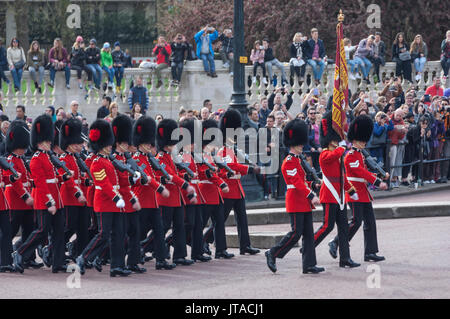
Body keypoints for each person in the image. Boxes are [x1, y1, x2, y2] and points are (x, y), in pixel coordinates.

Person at [265, 118, 324, 274]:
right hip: (296, 200)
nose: (301, 146)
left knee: (309, 235)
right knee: (296, 233)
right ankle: (273, 252)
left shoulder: (299, 160)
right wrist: (311, 195)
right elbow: (296, 183)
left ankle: (309, 264)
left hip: (303, 200)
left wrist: (313, 185)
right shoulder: (289, 161)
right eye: (299, 144)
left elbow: (303, 181)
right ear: (292, 144)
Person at [13, 115, 70, 273]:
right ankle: (20, 252)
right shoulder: (36, 159)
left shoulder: (47, 157)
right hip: (45, 200)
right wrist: (50, 202)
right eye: (47, 141)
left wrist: (63, 177)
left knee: (59, 231)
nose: (50, 143)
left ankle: (58, 262)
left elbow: (51, 178)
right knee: (42, 231)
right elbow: (41, 183)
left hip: (55, 199)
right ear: (39, 142)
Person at [328, 115, 388, 262]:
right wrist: (377, 180)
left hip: (363, 191)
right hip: (354, 192)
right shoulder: (350, 155)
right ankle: (335, 242)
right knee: (356, 221)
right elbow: (360, 172)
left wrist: (379, 174)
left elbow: (364, 171)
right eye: (362, 140)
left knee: (370, 222)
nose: (364, 143)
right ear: (354, 140)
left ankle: (370, 252)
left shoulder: (360, 154)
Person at [76, 119, 131, 277]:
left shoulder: (108, 160)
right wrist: (116, 198)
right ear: (101, 145)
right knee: (103, 234)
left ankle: (117, 266)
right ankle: (83, 257)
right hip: (105, 201)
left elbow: (117, 180)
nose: (110, 146)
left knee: (119, 234)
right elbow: (104, 184)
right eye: (107, 144)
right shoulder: (97, 163)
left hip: (115, 201)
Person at [312, 111, 360, 268]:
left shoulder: (337, 153)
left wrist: (350, 190)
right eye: (334, 140)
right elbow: (332, 157)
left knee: (344, 228)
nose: (336, 142)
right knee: (327, 226)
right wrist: (341, 147)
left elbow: (342, 175)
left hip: (339, 195)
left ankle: (345, 258)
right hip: (329, 194)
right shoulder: (325, 154)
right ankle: (309, 245)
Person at [132, 116, 175, 270]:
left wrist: (160, 180)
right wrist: (159, 186)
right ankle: (133, 260)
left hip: (153, 201)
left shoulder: (149, 158)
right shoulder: (136, 159)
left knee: (159, 229)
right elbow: (140, 179)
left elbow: (153, 176)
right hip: (142, 200)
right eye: (148, 143)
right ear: (141, 143)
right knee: (138, 233)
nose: (151, 145)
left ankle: (161, 260)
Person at [216, 108, 260, 255]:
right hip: (228, 189)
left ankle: (245, 245)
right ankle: (210, 243)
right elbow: (231, 166)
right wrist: (249, 169)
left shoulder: (231, 148)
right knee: (220, 221)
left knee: (242, 219)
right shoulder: (222, 149)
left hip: (237, 188)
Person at [155, 118, 196, 265]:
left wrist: (184, 181)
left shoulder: (169, 156)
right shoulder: (160, 157)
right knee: (163, 228)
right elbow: (169, 176)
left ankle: (179, 255)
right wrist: (186, 184)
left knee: (179, 227)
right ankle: (156, 255)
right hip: (166, 198)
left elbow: (175, 174)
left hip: (176, 197)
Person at [199, 119, 234, 258]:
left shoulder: (210, 155)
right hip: (206, 192)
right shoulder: (201, 155)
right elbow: (208, 174)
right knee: (201, 224)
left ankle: (220, 249)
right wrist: (221, 183)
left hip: (215, 194)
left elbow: (215, 172)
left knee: (219, 222)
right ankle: (199, 247)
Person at [58, 118, 89, 259]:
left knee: (83, 227)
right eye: (77, 143)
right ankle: (53, 248)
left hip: (80, 197)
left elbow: (79, 177)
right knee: (69, 227)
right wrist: (78, 193)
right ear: (70, 143)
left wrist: (87, 182)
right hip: (70, 198)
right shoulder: (64, 159)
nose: (80, 146)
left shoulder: (76, 158)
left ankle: (80, 255)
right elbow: (69, 180)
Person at [388, 109, 407, 187]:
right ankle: (388, 179)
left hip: (395, 143)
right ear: (394, 113)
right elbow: (388, 130)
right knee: (390, 163)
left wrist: (403, 132)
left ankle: (393, 179)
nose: (398, 117)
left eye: (400, 116)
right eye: (397, 115)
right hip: (388, 143)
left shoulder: (401, 122)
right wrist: (395, 127)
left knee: (395, 162)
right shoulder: (389, 119)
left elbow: (401, 137)